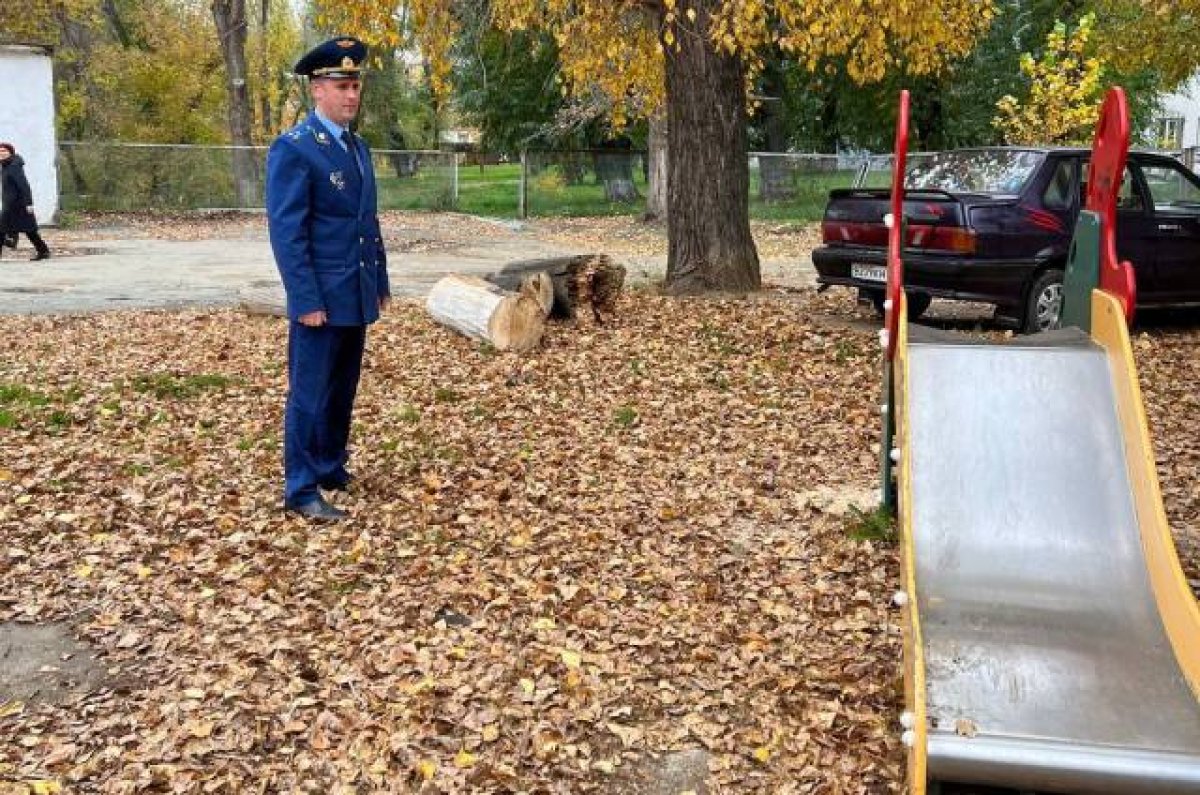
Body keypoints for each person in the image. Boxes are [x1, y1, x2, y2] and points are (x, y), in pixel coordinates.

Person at [266, 36, 390, 521]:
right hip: (320, 297)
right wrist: (304, 299)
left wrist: (379, 283)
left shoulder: (356, 148)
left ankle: (329, 463)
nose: (351, 95)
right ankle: (299, 488)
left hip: (354, 292)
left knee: (343, 388)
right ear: (317, 90)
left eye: (355, 85)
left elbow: (367, 222)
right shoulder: (296, 149)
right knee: (309, 393)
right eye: (341, 86)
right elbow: (287, 233)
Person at [0, 143, 51, 261]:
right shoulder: (6, 166)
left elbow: (24, 186)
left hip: (19, 205)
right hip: (10, 204)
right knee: (5, 229)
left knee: (29, 231)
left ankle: (43, 251)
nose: (1, 153)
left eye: (4, 151)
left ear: (10, 152)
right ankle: (43, 251)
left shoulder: (14, 166)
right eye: (0, 151)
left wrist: (29, 203)